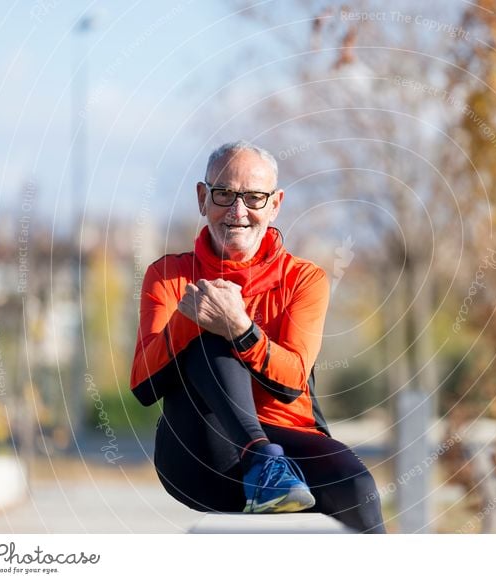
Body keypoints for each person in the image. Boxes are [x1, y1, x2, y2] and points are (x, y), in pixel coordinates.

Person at [130, 141, 385, 533]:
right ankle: (262, 459)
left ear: (274, 204)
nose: (237, 211)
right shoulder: (168, 276)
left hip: (291, 445)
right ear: (202, 198)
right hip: (200, 451)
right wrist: (191, 318)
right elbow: (144, 385)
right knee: (208, 329)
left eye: (253, 197)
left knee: (359, 488)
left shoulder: (305, 279)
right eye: (224, 194)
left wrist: (243, 330)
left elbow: (292, 383)